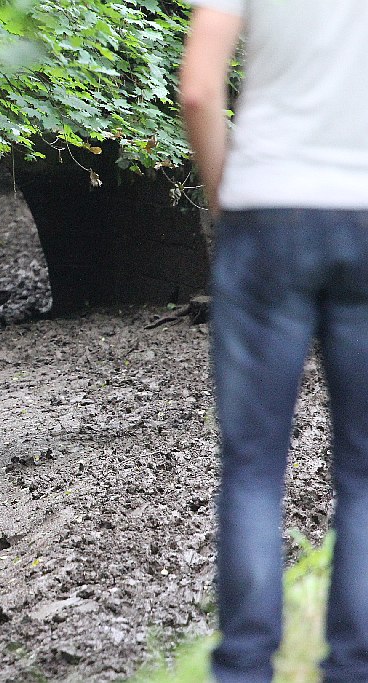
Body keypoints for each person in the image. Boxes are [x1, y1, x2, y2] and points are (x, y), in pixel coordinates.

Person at [179, 3, 368, 681]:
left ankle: (245, 667)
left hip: (269, 211)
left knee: (254, 466)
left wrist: (228, 194)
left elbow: (199, 88)